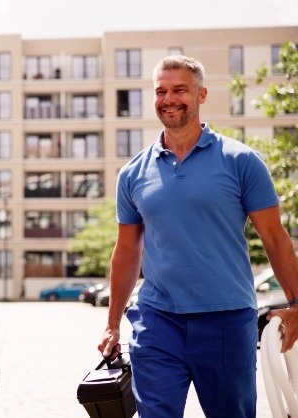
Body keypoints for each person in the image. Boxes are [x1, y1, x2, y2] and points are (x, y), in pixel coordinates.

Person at [98, 54, 298, 417]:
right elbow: (126, 250)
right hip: (157, 319)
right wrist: (112, 324)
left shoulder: (240, 161)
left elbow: (273, 236)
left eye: (179, 90)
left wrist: (297, 302)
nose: (169, 99)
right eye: (161, 91)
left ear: (201, 95)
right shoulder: (133, 173)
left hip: (226, 318)